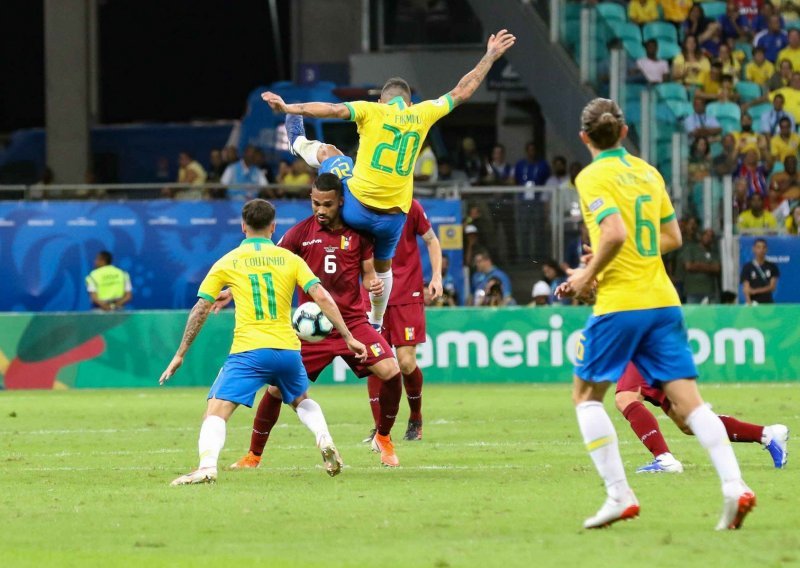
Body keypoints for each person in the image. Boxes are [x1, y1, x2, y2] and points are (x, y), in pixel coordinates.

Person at [557, 98, 755, 530]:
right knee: (692, 404)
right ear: (625, 132)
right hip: (663, 301)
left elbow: (613, 232)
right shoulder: (649, 172)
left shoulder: (591, 176)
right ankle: (734, 485)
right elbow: (672, 236)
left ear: (584, 138)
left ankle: (619, 496)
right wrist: (614, 252)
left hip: (622, 304)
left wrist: (586, 274)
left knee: (586, 397)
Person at [261, 29, 515, 331]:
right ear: (407, 103)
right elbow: (463, 91)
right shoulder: (422, 113)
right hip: (392, 219)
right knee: (383, 268)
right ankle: (377, 322)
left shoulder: (372, 110)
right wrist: (490, 56)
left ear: (383, 100)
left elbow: (331, 109)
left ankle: (297, 144)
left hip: (355, 205)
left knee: (331, 154)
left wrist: (290, 108)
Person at [159, 199, 367, 485]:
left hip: (249, 351)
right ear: (273, 226)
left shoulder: (228, 261)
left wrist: (181, 353)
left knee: (216, 409)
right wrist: (348, 336)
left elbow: (200, 309)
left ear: (243, 225)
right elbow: (321, 296)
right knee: (300, 400)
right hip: (288, 350)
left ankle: (207, 467)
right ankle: (324, 438)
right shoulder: (291, 259)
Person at [221, 173, 405, 469]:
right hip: (311, 331)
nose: (321, 210)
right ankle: (253, 456)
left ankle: (383, 437)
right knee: (276, 390)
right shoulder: (298, 234)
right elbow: (266, 265)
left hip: (353, 324)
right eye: (316, 203)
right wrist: (230, 290)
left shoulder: (358, 234)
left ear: (340, 201)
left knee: (392, 371)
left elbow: (369, 272)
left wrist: (372, 283)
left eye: (328, 204)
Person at [363, 197, 444, 444]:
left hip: (407, 293)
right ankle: (380, 430)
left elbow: (431, 240)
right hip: (374, 293)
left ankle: (415, 417)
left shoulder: (411, 205)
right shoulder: (361, 207)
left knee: (406, 363)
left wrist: (437, 276)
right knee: (375, 361)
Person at [615, 362, 789, 473]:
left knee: (626, 398)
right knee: (688, 422)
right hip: (661, 344)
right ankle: (767, 434)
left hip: (643, 341)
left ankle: (664, 460)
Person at [680, 227, 721, 304]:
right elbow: (688, 266)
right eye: (706, 235)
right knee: (692, 315)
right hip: (692, 290)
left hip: (710, 290)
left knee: (711, 315)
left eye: (711, 236)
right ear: (701, 236)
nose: (708, 238)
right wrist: (709, 266)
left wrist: (698, 265)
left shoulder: (714, 252)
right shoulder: (691, 249)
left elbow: (717, 269)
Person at [740, 237, 780, 303]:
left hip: (768, 302)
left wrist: (755, 291)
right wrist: (749, 302)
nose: (761, 250)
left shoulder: (772, 266)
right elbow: (746, 288)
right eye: (758, 247)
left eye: (763, 247)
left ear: (766, 250)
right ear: (753, 249)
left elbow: (772, 287)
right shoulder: (747, 267)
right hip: (753, 302)